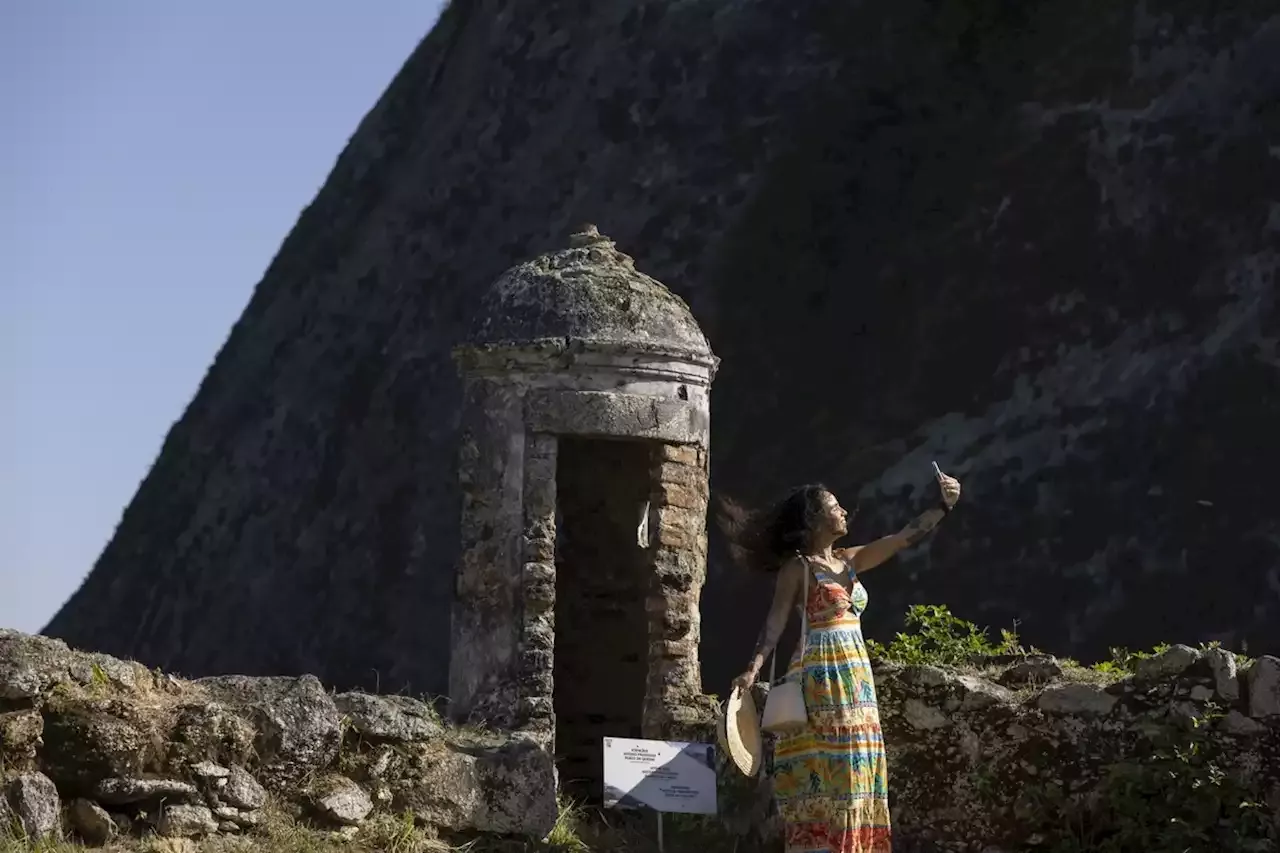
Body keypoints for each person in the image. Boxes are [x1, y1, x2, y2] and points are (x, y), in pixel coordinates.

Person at [720, 467, 962, 853]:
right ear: (815, 520)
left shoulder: (850, 560)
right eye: (835, 506)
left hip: (857, 680)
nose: (845, 511)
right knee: (835, 775)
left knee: (860, 770)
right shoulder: (798, 569)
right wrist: (753, 668)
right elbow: (774, 623)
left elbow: (903, 538)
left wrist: (943, 506)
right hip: (822, 676)